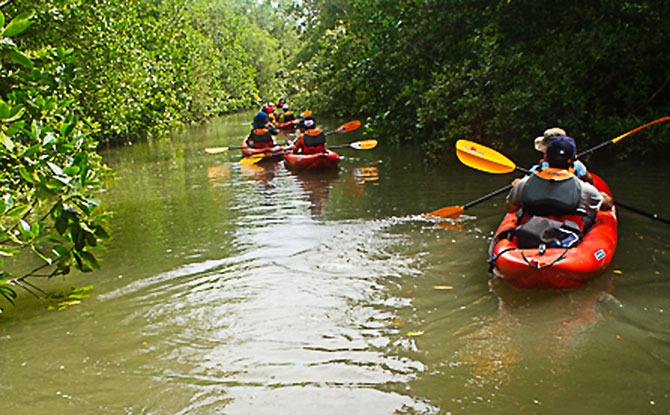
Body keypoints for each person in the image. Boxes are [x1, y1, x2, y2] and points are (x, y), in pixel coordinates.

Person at [505, 135, 611, 234]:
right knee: (590, 215)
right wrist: (603, 197)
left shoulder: (524, 184)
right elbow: (606, 206)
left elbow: (510, 208)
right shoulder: (583, 189)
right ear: (574, 159)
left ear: (545, 157)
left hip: (529, 233)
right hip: (565, 236)